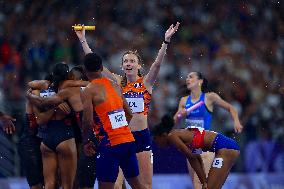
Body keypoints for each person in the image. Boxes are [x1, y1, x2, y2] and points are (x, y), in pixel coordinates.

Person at [75, 22, 180, 189]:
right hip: (122, 137)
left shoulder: (146, 83)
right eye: (126, 61)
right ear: (122, 66)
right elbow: (95, 65)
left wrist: (165, 41)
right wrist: (83, 41)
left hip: (142, 137)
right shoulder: (116, 83)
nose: (129, 63)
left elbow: (157, 64)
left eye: (132, 61)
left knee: (145, 185)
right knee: (116, 185)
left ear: (139, 65)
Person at [81, 52, 146, 189]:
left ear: (85, 70)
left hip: (109, 144)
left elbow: (87, 121)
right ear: (101, 68)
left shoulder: (89, 90)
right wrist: (119, 130)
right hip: (127, 140)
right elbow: (129, 113)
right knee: (137, 185)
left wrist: (86, 141)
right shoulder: (115, 85)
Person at [26, 65, 96, 189]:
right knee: (67, 185)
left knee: (49, 184)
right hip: (65, 136)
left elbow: (40, 119)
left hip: (46, 139)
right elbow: (89, 83)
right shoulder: (69, 88)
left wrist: (29, 95)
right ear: (68, 76)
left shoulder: (42, 88)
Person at [173, 71, 243, 189]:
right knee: (197, 185)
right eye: (186, 77)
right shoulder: (184, 100)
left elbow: (231, 107)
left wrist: (236, 121)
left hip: (205, 144)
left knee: (200, 183)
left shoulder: (210, 97)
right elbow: (176, 120)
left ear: (200, 81)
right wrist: (180, 115)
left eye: (191, 77)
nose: (187, 79)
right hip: (191, 146)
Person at [152, 115, 240, 189]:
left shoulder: (172, 136)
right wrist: (204, 180)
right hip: (228, 147)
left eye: (156, 139)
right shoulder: (181, 134)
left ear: (163, 135)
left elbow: (191, 157)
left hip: (225, 148)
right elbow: (197, 157)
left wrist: (203, 182)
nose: (157, 143)